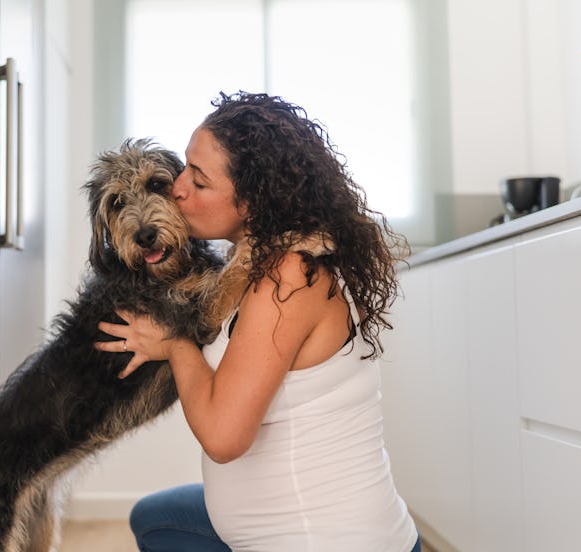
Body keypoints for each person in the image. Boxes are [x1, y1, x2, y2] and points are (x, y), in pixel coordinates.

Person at [95, 91, 419, 552]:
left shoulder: (289, 277)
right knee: (153, 518)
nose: (178, 187)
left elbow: (223, 437)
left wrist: (175, 345)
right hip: (304, 529)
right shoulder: (259, 260)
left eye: (199, 181)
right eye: (185, 167)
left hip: (330, 543)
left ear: (253, 200)